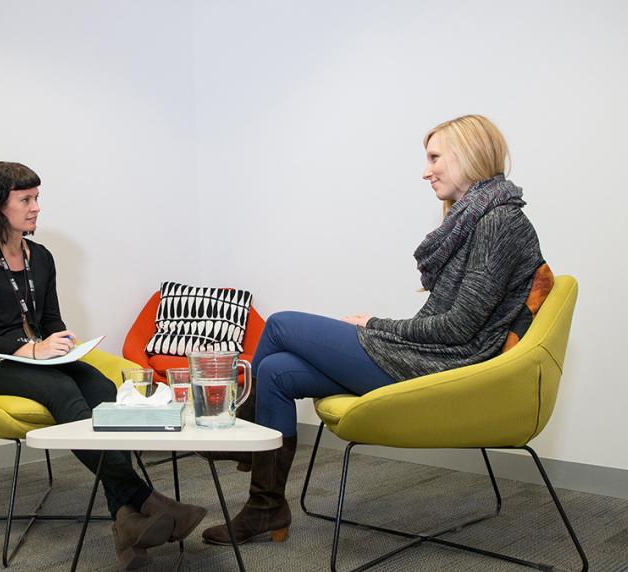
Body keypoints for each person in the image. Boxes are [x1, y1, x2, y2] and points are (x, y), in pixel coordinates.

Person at [200, 114, 546, 546]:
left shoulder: (499, 222)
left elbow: (458, 328)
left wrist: (374, 324)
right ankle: (266, 507)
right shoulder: (478, 217)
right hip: (433, 358)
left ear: (469, 154)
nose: (426, 170)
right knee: (276, 373)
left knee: (281, 324)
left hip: (442, 368)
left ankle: (235, 431)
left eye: (435, 157)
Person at [0, 161, 207, 570]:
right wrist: (28, 350)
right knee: (63, 392)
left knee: (100, 386)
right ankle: (145, 499)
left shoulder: (41, 256)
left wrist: (64, 343)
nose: (36, 207)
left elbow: (49, 319)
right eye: (26, 199)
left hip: (36, 357)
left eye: (37, 198)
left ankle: (126, 524)